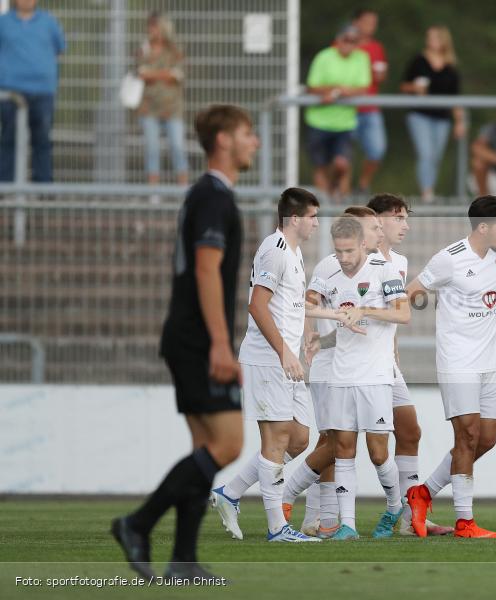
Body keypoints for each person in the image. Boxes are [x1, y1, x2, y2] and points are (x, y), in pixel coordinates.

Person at [111, 105, 259, 580]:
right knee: (230, 444)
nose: (253, 142)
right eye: (246, 133)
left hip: (186, 336)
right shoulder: (213, 196)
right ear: (223, 141)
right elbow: (205, 268)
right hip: (197, 339)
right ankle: (137, 523)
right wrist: (219, 343)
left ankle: (183, 560)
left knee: (205, 445)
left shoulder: (207, 195)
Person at [208, 188, 358, 543]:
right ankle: (278, 528)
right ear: (295, 219)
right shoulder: (274, 251)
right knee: (275, 441)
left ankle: (230, 491)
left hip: (286, 361)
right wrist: (283, 353)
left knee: (299, 439)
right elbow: (257, 306)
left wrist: (334, 315)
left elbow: (292, 306)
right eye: (312, 216)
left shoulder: (294, 252)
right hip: (268, 360)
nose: (316, 223)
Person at [405, 195, 496, 538]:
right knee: (466, 435)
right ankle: (464, 521)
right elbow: (411, 290)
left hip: (489, 364)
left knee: (486, 439)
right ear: (482, 227)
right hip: (457, 361)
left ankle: (422, 493)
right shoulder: (449, 259)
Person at [285, 205, 386, 540]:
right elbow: (308, 303)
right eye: (373, 227)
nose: (379, 232)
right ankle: (295, 503)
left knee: (338, 441)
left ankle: (320, 518)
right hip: (333, 364)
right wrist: (312, 338)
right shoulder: (334, 263)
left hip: (367, 366)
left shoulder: (380, 264)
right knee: (335, 441)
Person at [366, 193, 453, 536]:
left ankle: (409, 518)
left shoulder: (398, 262)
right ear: (377, 220)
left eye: (405, 217)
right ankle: (319, 513)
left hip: (386, 361)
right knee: (336, 442)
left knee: (410, 430)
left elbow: (393, 309)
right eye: (397, 217)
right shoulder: (358, 257)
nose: (405, 224)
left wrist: (394, 348)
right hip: (358, 363)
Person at [319, 215, 411, 540]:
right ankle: (348, 525)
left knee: (377, 452)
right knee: (343, 446)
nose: (343, 258)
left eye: (348, 251)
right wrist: (331, 317)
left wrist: (366, 310)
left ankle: (393, 504)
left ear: (362, 244)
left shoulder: (384, 270)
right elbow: (302, 306)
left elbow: (404, 314)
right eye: (338, 251)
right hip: (341, 373)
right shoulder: (326, 269)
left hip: (375, 375)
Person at [0, 0, 66, 182]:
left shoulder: (49, 22)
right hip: (10, 93)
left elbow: (59, 49)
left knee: (42, 140)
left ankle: (43, 190)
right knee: (8, 139)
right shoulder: (3, 23)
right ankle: (5, 189)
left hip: (42, 92)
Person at [305, 24, 372, 202]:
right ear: (338, 39)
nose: (348, 44)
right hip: (319, 121)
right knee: (320, 167)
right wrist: (333, 90)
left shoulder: (362, 58)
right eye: (346, 40)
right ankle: (325, 206)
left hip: (345, 123)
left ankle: (340, 209)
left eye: (353, 41)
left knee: (342, 165)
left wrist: (341, 92)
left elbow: (363, 88)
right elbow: (312, 87)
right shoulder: (324, 57)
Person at [401, 26, 465, 202]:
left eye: (435, 38)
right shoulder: (418, 61)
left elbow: (456, 97)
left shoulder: (451, 66)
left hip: (442, 118)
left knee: (435, 156)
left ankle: (430, 188)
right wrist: (415, 87)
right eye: (429, 37)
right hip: (419, 114)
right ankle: (427, 192)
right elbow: (404, 85)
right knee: (426, 153)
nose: (431, 41)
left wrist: (459, 121)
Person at [135, 11, 189, 186]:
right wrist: (164, 74)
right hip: (148, 108)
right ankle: (154, 194)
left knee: (178, 148)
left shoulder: (174, 49)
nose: (152, 30)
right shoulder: (144, 49)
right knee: (152, 150)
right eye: (149, 26)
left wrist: (154, 74)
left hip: (172, 108)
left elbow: (177, 75)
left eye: (155, 26)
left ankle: (183, 191)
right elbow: (141, 74)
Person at [352, 9, 388, 193]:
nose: (371, 26)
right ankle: (340, 193)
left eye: (374, 22)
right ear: (356, 22)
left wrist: (379, 75)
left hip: (370, 107)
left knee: (377, 150)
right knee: (344, 155)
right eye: (367, 21)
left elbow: (381, 75)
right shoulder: (345, 44)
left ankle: (362, 184)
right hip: (347, 109)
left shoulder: (376, 47)